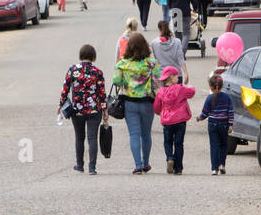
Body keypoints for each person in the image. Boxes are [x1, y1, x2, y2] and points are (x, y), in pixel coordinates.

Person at [112, 32, 159, 174]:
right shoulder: (152, 64)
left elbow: (116, 81)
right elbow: (157, 83)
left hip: (129, 103)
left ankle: (138, 165)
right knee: (146, 134)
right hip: (147, 103)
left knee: (134, 134)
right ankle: (146, 163)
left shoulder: (122, 64)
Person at [58, 44, 108, 174]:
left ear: (81, 55)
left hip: (77, 109)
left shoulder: (73, 70)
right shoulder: (97, 72)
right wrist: (105, 110)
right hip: (94, 110)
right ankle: (92, 167)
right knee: (92, 138)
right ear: (93, 56)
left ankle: (80, 165)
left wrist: (61, 104)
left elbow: (65, 88)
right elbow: (102, 93)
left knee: (79, 137)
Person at [154, 66, 195, 175]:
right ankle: (178, 168)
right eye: (176, 76)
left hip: (167, 121)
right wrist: (190, 86)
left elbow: (157, 107)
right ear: (171, 77)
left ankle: (169, 158)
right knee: (179, 143)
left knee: (167, 142)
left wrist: (159, 112)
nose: (178, 77)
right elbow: (191, 93)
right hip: (180, 120)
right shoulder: (180, 89)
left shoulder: (161, 91)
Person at [197, 73, 234, 175]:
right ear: (222, 86)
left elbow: (205, 112)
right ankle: (222, 164)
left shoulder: (209, 98)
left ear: (210, 87)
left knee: (214, 146)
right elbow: (230, 112)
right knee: (223, 145)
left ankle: (214, 169)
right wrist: (230, 124)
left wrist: (199, 118)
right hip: (224, 125)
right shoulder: (227, 98)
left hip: (213, 124)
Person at [151, 20, 188, 86]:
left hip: (162, 75)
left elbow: (153, 61)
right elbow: (181, 59)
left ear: (159, 29)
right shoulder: (177, 42)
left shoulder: (154, 43)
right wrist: (186, 73)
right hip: (176, 75)